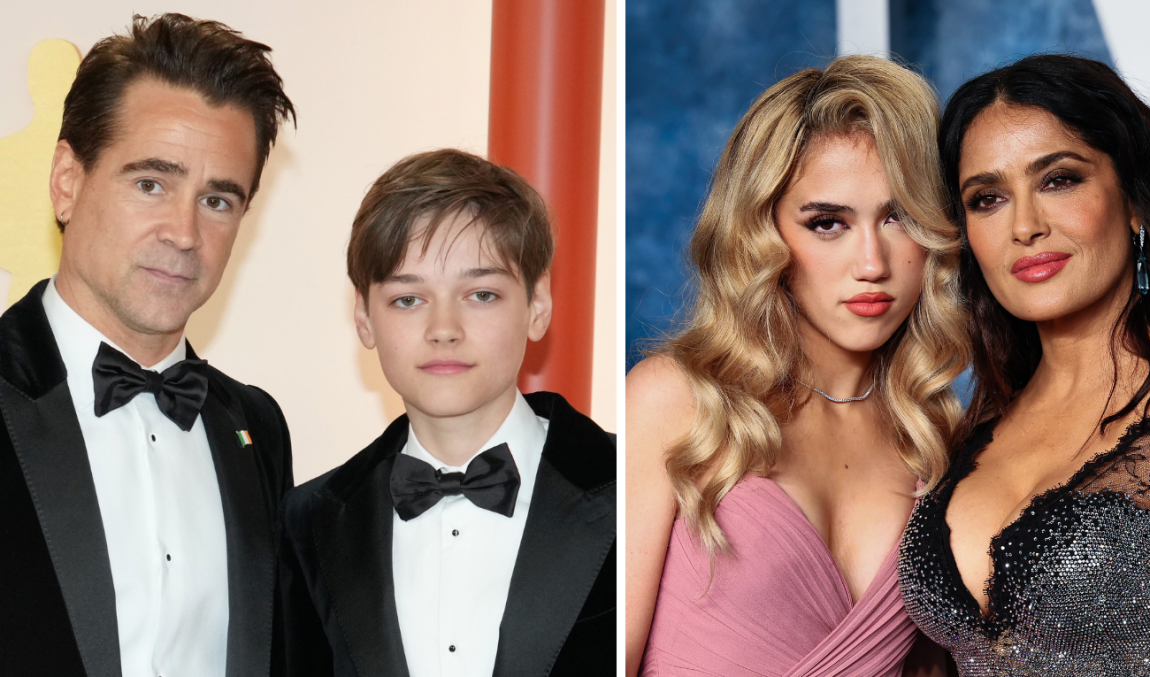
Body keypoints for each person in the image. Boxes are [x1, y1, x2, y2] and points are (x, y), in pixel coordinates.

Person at [897, 54, 1150, 675]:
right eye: (988, 198)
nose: (1025, 226)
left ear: (1136, 200)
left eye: (1058, 180)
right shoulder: (969, 430)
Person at [626, 55, 970, 677]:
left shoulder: (939, 439)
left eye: (898, 218)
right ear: (764, 235)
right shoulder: (675, 402)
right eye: (828, 223)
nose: (872, 262)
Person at [0, 13, 296, 677]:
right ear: (67, 181)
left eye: (218, 200)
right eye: (151, 183)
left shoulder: (256, 430)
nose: (184, 232)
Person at [278, 149, 616, 677]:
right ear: (364, 318)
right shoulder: (308, 524)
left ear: (538, 305)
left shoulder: (632, 484)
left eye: (481, 294)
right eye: (408, 300)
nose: (444, 328)